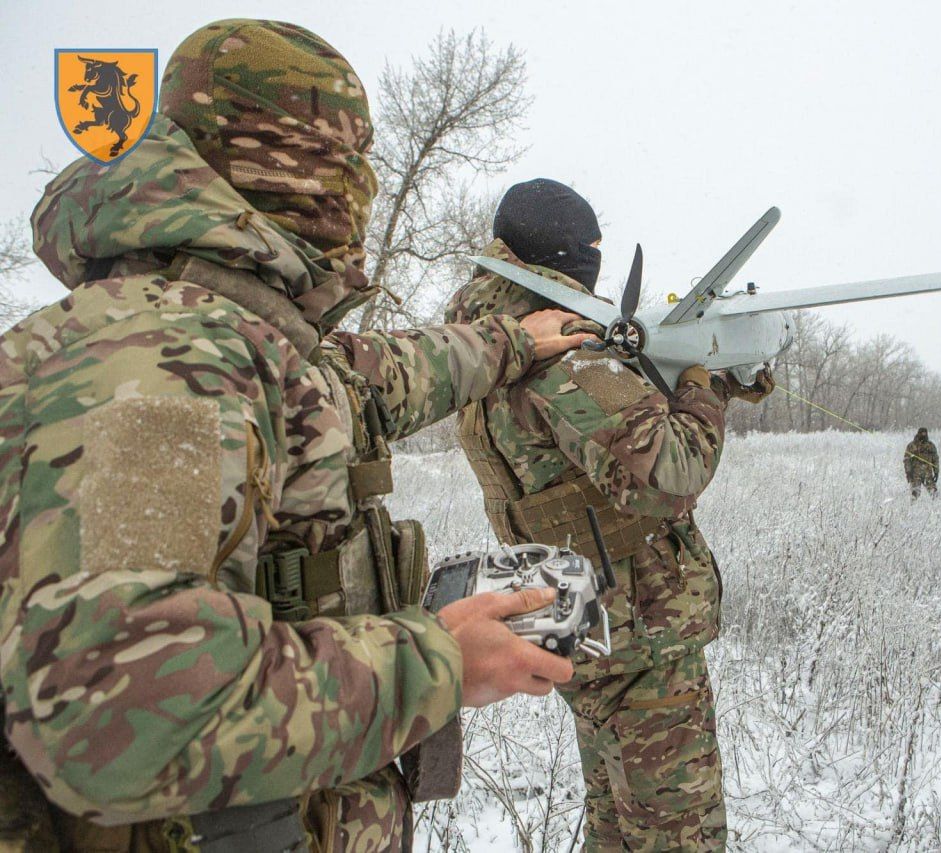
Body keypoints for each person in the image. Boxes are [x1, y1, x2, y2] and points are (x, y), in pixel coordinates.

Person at [0, 19, 593, 851]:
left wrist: (516, 341)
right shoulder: (160, 363)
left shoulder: (223, 333)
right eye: (359, 163)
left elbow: (375, 379)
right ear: (310, 168)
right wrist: (438, 664)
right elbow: (122, 718)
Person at [445, 178, 774, 851]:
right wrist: (702, 382)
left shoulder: (483, 343)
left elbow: (599, 439)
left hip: (585, 623)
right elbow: (673, 468)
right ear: (566, 258)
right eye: (590, 252)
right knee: (675, 836)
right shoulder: (558, 351)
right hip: (642, 631)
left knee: (617, 828)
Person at [904, 427, 940, 499]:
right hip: (915, 474)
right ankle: (913, 509)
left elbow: (935, 459)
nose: (923, 435)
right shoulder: (912, 446)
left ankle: (937, 508)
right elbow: (907, 460)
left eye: (925, 433)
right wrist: (908, 472)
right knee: (914, 494)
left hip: (928, 473)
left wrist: (936, 472)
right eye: (922, 433)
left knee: (934, 493)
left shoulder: (930, 446)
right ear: (918, 434)